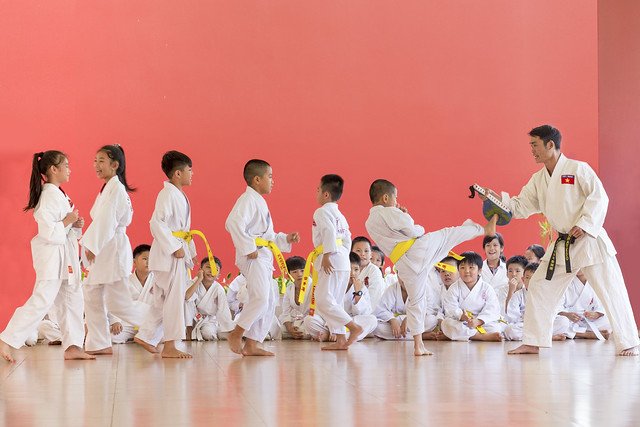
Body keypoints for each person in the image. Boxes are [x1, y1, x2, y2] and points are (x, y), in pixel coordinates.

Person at [483, 125, 638, 356]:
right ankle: (533, 341)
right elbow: (521, 206)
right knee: (539, 286)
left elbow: (599, 197)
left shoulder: (577, 169)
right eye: (530, 145)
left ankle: (628, 342)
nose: (532, 150)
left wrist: (585, 224)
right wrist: (498, 201)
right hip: (562, 245)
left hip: (589, 240)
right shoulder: (538, 180)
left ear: (550, 144)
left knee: (610, 288)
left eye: (535, 145)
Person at [365, 179, 498, 356]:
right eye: (395, 197)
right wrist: (407, 217)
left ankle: (418, 345)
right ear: (386, 198)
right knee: (448, 235)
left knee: (416, 301)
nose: (396, 201)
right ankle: (484, 230)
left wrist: (401, 216)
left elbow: (397, 233)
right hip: (417, 250)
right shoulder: (388, 211)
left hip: (404, 264)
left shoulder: (369, 222)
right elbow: (412, 229)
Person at [1, 151, 93, 362]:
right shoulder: (49, 196)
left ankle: (73, 346)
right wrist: (68, 221)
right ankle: (7, 339)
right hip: (52, 258)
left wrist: (74, 225)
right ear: (53, 169)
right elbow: (49, 233)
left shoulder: (58, 194)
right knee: (42, 300)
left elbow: (62, 228)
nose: (69, 169)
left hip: (64, 257)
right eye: (66, 165)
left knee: (73, 299)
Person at [225, 159, 299, 356]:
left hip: (263, 254)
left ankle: (252, 343)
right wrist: (248, 247)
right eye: (270, 176)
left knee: (268, 300)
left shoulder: (258, 201)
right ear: (257, 179)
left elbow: (268, 237)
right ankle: (236, 333)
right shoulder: (247, 200)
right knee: (260, 297)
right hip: (254, 255)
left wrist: (286, 238)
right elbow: (232, 223)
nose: (273, 181)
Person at [135, 151, 198, 358]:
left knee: (163, 300)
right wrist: (173, 247)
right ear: (178, 173)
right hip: (168, 255)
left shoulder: (176, 194)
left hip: (174, 252)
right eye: (189, 170)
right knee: (173, 300)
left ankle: (146, 336)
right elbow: (156, 223)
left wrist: (190, 251)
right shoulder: (168, 194)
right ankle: (170, 345)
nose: (192, 174)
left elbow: (183, 231)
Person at [82, 145, 142, 355]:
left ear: (115, 165)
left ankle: (158, 325)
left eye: (101, 161)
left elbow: (107, 220)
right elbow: (102, 220)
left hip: (112, 249)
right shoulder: (109, 188)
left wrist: (93, 245)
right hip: (107, 247)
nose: (96, 165)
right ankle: (99, 343)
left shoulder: (116, 189)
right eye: (95, 160)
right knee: (92, 292)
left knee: (119, 303)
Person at [306, 175, 363, 350]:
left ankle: (353, 327)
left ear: (326, 194)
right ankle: (340, 339)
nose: (316, 192)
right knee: (335, 302)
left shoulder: (321, 212)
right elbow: (348, 237)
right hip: (342, 260)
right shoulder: (340, 215)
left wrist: (327, 255)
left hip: (330, 259)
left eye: (318, 189)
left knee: (323, 300)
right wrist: (343, 254)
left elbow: (329, 231)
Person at [304, 252, 376, 343]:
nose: (352, 273)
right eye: (349, 269)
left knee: (372, 320)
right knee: (309, 320)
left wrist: (358, 293)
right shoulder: (333, 284)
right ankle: (337, 335)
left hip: (351, 324)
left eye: (356, 269)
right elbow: (324, 310)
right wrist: (333, 328)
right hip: (330, 322)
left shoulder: (361, 287)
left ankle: (339, 336)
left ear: (360, 270)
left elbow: (364, 313)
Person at [441, 252, 505, 341]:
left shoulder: (487, 288)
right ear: (458, 270)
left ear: (479, 270)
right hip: (462, 321)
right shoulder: (454, 288)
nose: (467, 271)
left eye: (471, 267)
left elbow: (492, 309)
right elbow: (450, 307)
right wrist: (461, 316)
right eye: (462, 267)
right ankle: (480, 336)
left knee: (495, 327)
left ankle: (460, 335)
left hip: (481, 322)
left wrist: (478, 320)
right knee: (446, 324)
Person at [503, 262, 568, 341]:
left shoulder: (546, 294)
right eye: (527, 278)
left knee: (563, 321)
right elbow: (512, 315)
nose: (530, 281)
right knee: (510, 330)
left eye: (534, 278)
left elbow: (552, 312)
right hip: (525, 324)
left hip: (543, 323)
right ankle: (547, 337)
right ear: (523, 279)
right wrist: (526, 319)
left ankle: (536, 338)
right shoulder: (518, 295)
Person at [109, 244, 153, 344]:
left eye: (151, 259)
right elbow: (115, 302)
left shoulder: (158, 280)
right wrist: (116, 321)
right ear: (134, 262)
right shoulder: (125, 281)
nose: (148, 262)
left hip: (149, 322)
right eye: (145, 259)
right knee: (111, 337)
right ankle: (137, 337)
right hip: (129, 323)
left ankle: (138, 337)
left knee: (164, 337)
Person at [184, 257, 234, 341]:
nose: (211, 271)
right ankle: (190, 332)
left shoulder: (218, 289)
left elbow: (223, 310)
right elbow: (186, 296)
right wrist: (199, 279)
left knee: (210, 334)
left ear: (218, 275)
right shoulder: (193, 283)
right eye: (208, 267)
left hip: (210, 321)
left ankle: (219, 331)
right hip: (192, 321)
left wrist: (228, 327)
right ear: (200, 270)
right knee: (187, 301)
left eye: (215, 269)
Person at [555, 270, 611, 340]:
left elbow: (600, 305)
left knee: (609, 321)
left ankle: (573, 333)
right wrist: (567, 314)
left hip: (585, 320)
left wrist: (596, 314)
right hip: (568, 319)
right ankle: (584, 334)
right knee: (562, 322)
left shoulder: (594, 281)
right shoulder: (565, 281)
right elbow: (557, 308)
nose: (579, 268)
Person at [279, 256, 312, 340]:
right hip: (299, 321)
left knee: (309, 322)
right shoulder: (289, 289)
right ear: (288, 275)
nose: (299, 274)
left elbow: (323, 309)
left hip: (313, 319)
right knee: (279, 328)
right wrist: (290, 329)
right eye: (294, 272)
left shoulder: (314, 285)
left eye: (302, 270)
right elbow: (286, 313)